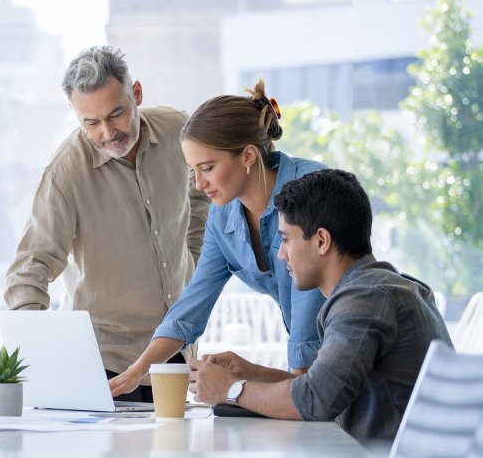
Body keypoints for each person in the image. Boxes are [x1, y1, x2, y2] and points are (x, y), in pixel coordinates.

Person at [4, 46, 209, 401]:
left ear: (137, 94)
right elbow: (29, 270)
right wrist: (42, 361)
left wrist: (191, 256)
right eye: (91, 122)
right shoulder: (65, 173)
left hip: (175, 351)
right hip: (106, 365)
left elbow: (201, 193)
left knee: (177, 455)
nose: (108, 132)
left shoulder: (179, 129)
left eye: (116, 114)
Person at [189, 169, 452, 443]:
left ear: (322, 241)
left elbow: (316, 400)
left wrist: (232, 390)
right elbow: (324, 387)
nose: (280, 254)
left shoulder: (364, 298)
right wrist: (251, 373)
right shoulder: (380, 287)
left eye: (287, 239)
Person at [108, 80, 328, 398]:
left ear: (248, 156)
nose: (199, 184)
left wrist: (257, 391)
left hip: (358, 354)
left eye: (208, 168)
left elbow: (308, 322)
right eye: (193, 171)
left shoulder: (309, 191)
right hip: (319, 373)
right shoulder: (223, 216)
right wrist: (136, 372)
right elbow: (191, 306)